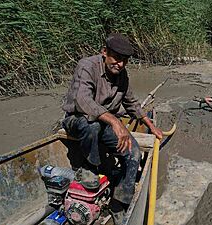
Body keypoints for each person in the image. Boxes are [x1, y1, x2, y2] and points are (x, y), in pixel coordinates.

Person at [61, 33, 162, 221]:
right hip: (77, 120)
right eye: (116, 58)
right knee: (91, 126)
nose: (120, 64)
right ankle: (89, 167)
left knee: (133, 154)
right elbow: (83, 101)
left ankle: (118, 202)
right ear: (104, 52)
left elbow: (131, 103)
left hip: (103, 123)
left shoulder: (122, 75)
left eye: (124, 60)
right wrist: (115, 122)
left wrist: (150, 125)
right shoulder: (87, 66)